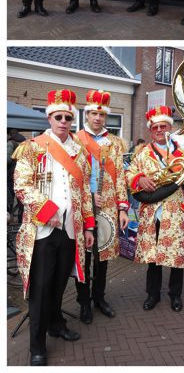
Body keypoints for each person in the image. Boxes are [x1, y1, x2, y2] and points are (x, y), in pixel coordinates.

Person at [12, 89, 95, 366]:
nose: (63, 121)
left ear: (72, 120)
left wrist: (89, 227)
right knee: (40, 289)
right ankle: (37, 346)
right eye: (58, 116)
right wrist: (47, 211)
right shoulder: (32, 147)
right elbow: (21, 185)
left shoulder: (80, 153)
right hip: (42, 231)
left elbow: (84, 193)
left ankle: (56, 324)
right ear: (49, 117)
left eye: (68, 117)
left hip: (71, 229)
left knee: (59, 284)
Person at [126, 105, 184, 313]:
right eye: (155, 127)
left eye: (163, 126)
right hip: (151, 213)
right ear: (151, 130)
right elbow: (129, 174)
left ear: (170, 128)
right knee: (153, 258)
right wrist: (139, 179)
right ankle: (152, 295)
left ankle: (175, 295)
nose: (159, 130)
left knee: (176, 257)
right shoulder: (142, 154)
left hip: (177, 213)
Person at [73, 90, 130, 324]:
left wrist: (123, 207)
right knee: (84, 257)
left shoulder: (115, 143)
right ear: (86, 114)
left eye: (101, 114)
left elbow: (120, 178)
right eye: (93, 113)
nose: (97, 118)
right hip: (82, 207)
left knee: (103, 256)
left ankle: (99, 298)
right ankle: (84, 302)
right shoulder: (75, 140)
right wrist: (87, 195)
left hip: (107, 207)